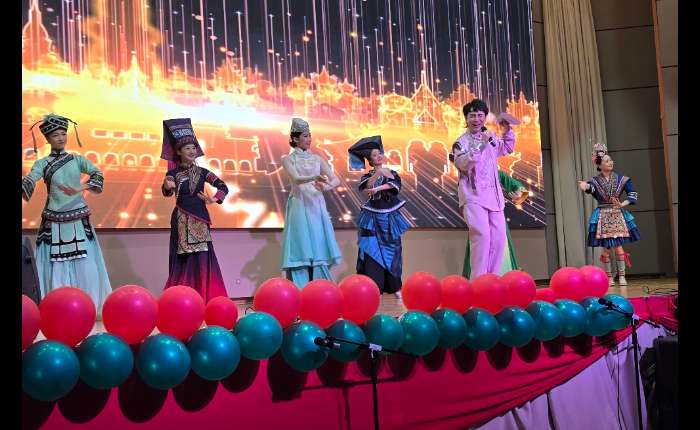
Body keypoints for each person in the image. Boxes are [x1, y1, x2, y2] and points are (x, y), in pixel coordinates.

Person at [22, 113, 111, 313]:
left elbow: (97, 173)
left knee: (85, 262)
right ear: (48, 139)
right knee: (54, 263)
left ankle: (86, 306)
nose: (61, 138)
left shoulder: (77, 159)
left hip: (78, 217)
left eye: (63, 134)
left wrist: (80, 187)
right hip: (53, 219)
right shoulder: (42, 163)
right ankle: (57, 308)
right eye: (56, 135)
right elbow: (31, 178)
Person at [161, 118, 229, 301]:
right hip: (181, 220)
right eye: (187, 148)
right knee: (184, 259)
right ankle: (183, 299)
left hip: (200, 220)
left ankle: (205, 297)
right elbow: (168, 190)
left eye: (193, 148)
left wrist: (214, 198)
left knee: (202, 258)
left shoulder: (203, 172)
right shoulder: (172, 173)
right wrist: (167, 186)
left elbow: (223, 186)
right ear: (178, 152)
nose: (192, 151)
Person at [451, 99, 516, 279]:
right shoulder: (460, 142)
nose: (476, 119)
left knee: (499, 238)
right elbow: (463, 164)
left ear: (485, 117)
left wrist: (507, 130)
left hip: (494, 197)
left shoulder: (490, 136)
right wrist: (481, 145)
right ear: (466, 118)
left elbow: (506, 148)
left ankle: (492, 280)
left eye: (480, 115)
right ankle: (479, 281)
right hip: (472, 196)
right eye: (472, 116)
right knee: (482, 236)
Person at [280, 118, 342, 289]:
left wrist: (326, 187)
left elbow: (335, 179)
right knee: (301, 243)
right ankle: (300, 288)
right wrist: (314, 177)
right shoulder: (288, 159)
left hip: (316, 204)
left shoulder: (317, 159)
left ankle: (320, 288)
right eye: (305, 136)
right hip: (299, 204)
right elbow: (296, 179)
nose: (309, 139)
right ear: (295, 138)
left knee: (318, 243)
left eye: (310, 135)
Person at [348, 136, 410, 299]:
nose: (379, 157)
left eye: (379, 153)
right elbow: (367, 186)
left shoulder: (392, 172)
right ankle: (374, 287)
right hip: (372, 217)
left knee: (393, 249)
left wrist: (379, 187)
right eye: (375, 155)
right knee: (371, 250)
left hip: (389, 215)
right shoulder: (367, 176)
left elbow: (393, 185)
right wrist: (378, 175)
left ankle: (394, 286)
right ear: (370, 160)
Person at [578, 143, 640, 286]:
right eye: (607, 161)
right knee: (606, 248)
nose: (610, 162)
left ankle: (622, 276)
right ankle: (609, 277)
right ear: (599, 165)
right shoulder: (595, 181)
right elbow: (591, 188)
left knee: (618, 245)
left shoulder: (621, 179)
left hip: (617, 213)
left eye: (611, 160)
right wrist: (585, 186)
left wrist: (622, 204)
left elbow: (632, 194)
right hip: (603, 215)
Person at [463, 171, 528, 278]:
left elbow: (521, 189)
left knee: (500, 251)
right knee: (479, 253)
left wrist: (520, 195)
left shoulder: (496, 173)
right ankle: (478, 283)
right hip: (479, 220)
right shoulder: (469, 173)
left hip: (496, 219)